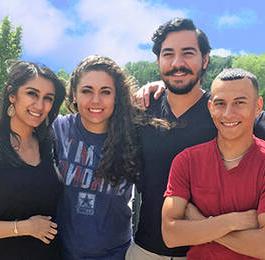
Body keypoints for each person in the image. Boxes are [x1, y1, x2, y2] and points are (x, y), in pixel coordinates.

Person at [126, 18, 265, 260]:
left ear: (205, 59)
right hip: (145, 249)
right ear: (158, 60)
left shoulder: (225, 111)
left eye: (188, 53)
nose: (177, 63)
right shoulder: (143, 109)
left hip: (216, 253)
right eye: (168, 54)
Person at [162, 68, 265, 259]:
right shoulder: (186, 161)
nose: (228, 113)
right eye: (220, 103)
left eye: (239, 103)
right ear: (210, 107)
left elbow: (263, 247)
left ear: (258, 106)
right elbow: (171, 235)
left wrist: (200, 223)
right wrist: (232, 221)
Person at [53, 55, 142, 260]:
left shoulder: (134, 135)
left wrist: (157, 87)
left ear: (116, 96)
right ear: (74, 94)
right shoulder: (58, 129)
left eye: (105, 92)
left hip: (116, 253)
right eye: (86, 91)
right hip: (63, 252)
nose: (95, 100)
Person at [0, 60, 66, 259]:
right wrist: (25, 227)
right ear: (12, 95)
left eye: (48, 98)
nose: (40, 105)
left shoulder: (48, 142)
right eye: (32, 93)